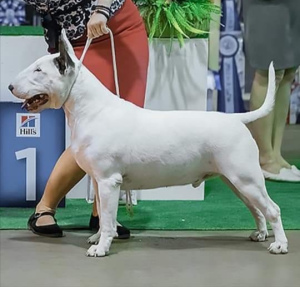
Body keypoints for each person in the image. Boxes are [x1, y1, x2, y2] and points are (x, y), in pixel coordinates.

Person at [24, 0, 149, 237]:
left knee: (105, 134)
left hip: (115, 28)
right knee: (88, 134)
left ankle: (103, 215)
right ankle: (45, 208)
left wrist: (101, 9)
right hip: (68, 42)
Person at [243, 0, 300, 182]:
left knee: (287, 71)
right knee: (269, 72)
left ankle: (276, 154)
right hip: (266, 4)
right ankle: (265, 157)